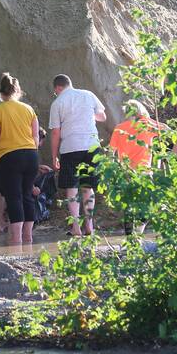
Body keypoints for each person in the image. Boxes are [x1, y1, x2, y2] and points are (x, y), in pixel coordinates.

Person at [0, 73, 40, 245]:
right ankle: (28, 237)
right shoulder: (28, 109)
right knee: (27, 195)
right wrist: (32, 152)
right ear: (18, 91)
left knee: (13, 196)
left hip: (9, 157)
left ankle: (16, 239)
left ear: (1, 93)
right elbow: (36, 136)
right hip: (31, 155)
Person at [48, 74, 106, 236]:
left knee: (72, 188)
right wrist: (86, 115)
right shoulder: (88, 94)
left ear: (58, 88)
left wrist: (54, 156)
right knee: (88, 187)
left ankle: (76, 227)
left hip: (70, 147)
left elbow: (55, 133)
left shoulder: (58, 102)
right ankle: (90, 226)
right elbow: (102, 116)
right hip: (91, 146)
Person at [108, 99, 163, 234]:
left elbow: (111, 152)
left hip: (126, 172)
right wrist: (148, 119)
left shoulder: (119, 128)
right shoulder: (148, 126)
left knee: (129, 206)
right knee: (148, 205)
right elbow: (168, 129)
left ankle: (131, 240)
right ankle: (138, 232)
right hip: (144, 171)